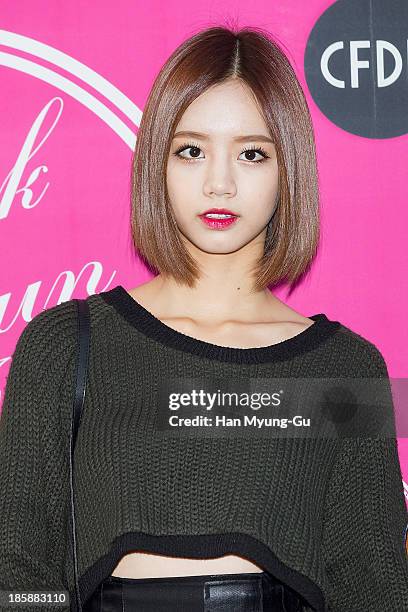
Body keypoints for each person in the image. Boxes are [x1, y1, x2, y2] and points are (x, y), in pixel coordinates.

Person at [0, 24, 407, 612]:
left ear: (288, 170)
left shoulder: (349, 368)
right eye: (191, 150)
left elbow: (374, 585)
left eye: (251, 153)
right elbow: (20, 571)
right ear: (156, 165)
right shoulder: (63, 345)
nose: (220, 182)